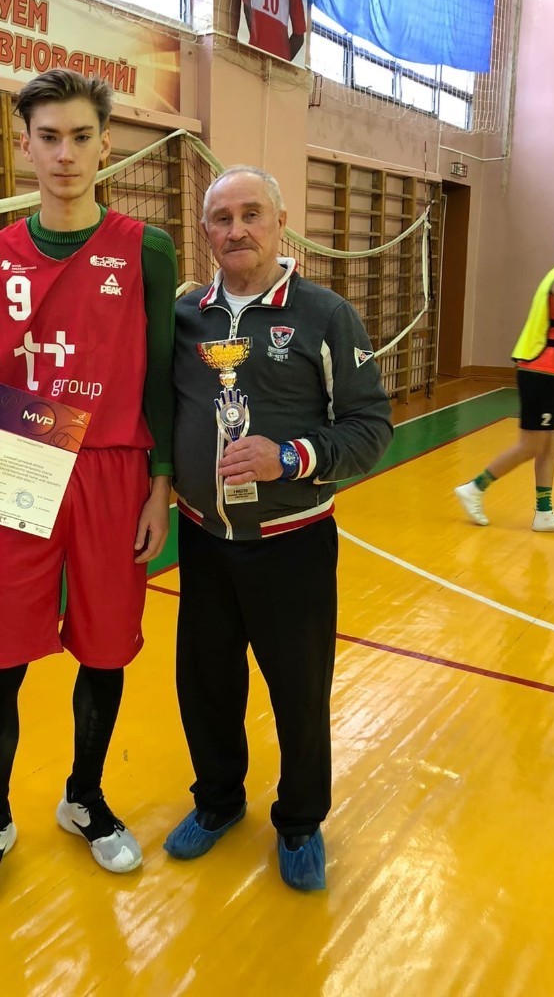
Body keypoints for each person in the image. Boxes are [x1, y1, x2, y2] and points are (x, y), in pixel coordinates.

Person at [0, 68, 177, 910]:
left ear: (105, 144)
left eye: (81, 136)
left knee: (106, 649)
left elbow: (162, 374)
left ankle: (83, 797)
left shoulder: (147, 248)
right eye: (49, 137)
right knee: (1, 656)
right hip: (23, 450)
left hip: (115, 463)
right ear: (25, 145)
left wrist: (161, 483)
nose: (66, 154)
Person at [164, 166, 393, 891]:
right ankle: (218, 801)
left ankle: (299, 821)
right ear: (206, 232)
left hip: (293, 543)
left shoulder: (325, 316)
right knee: (205, 684)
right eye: (222, 218)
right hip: (202, 539)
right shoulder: (186, 317)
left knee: (298, 691)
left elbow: (371, 427)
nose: (237, 230)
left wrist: (289, 457)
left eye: (252, 214)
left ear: (281, 222)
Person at [455, 221, 554, 532]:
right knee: (533, 444)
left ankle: (544, 513)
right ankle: (474, 488)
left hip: (552, 370)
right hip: (540, 370)